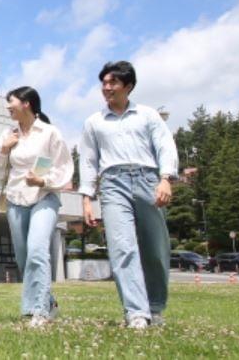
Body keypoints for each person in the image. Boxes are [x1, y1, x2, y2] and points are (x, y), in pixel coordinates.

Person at [79, 61, 178, 329]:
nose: (106, 88)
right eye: (104, 83)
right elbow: (88, 161)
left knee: (155, 249)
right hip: (112, 184)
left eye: (113, 83)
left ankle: (155, 307)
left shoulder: (147, 115)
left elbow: (165, 146)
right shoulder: (94, 122)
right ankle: (136, 312)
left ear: (128, 86)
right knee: (122, 247)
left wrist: (165, 179)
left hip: (148, 179)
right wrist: (87, 198)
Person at [0, 86, 73, 328]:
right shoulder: (8, 134)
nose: (7, 107)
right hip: (16, 197)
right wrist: (5, 149)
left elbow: (63, 166)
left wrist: (43, 180)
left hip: (44, 196)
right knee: (24, 257)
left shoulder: (49, 133)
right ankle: (49, 302)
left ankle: (39, 312)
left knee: (37, 250)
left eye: (11, 102)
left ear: (27, 103)